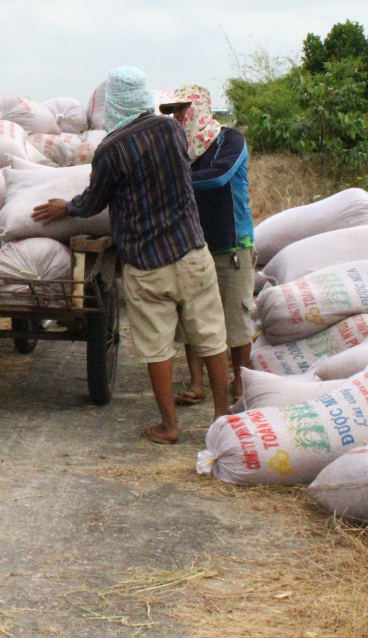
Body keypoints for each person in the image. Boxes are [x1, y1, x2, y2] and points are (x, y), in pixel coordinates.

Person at [32, 67, 233, 445]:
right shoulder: (172, 129)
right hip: (191, 251)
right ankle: (223, 417)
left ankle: (169, 427)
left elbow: (94, 201)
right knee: (210, 336)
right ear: (144, 97)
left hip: (146, 261)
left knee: (156, 346)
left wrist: (66, 208)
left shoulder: (110, 149)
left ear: (112, 104)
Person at [157, 87, 255, 407]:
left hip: (232, 243)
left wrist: (172, 179)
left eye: (181, 109)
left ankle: (239, 381)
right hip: (194, 242)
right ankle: (197, 384)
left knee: (235, 318)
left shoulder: (230, 140)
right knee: (193, 316)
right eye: (172, 112)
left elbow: (218, 177)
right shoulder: (177, 147)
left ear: (198, 107)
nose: (176, 117)